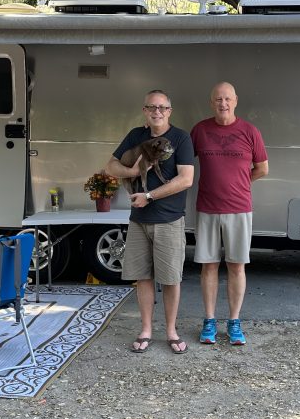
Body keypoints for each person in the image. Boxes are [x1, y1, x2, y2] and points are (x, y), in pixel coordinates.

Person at [106, 90, 195, 355]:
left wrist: (149, 196)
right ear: (145, 110)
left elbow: (186, 179)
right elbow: (110, 167)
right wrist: (132, 171)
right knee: (143, 277)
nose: (157, 112)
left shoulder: (181, 138)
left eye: (162, 107)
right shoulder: (136, 135)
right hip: (139, 220)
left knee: (170, 279)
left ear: (170, 111)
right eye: (152, 107)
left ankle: (171, 331)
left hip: (169, 219)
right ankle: (146, 330)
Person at [191, 82, 268, 346]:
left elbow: (262, 168)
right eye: (218, 99)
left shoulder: (250, 131)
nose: (223, 104)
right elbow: (184, 163)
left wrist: (240, 183)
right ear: (211, 102)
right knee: (209, 265)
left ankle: (234, 322)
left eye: (227, 99)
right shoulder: (200, 130)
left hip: (239, 208)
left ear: (235, 101)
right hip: (207, 208)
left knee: (236, 266)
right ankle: (209, 320)